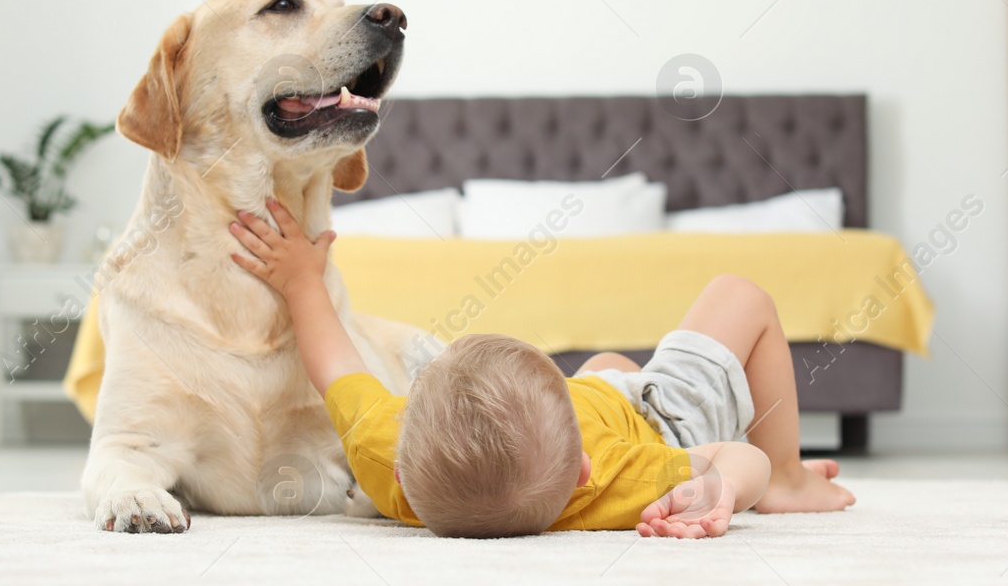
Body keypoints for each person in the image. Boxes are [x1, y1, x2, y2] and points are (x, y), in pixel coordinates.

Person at [229, 198, 854, 539]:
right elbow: (738, 460)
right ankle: (795, 487)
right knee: (740, 295)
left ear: (400, 462)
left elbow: (335, 364)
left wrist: (299, 280)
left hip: (603, 399)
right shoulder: (627, 480)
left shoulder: (386, 456)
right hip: (664, 421)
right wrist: (723, 495)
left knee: (608, 369)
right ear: (583, 468)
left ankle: (597, 386)